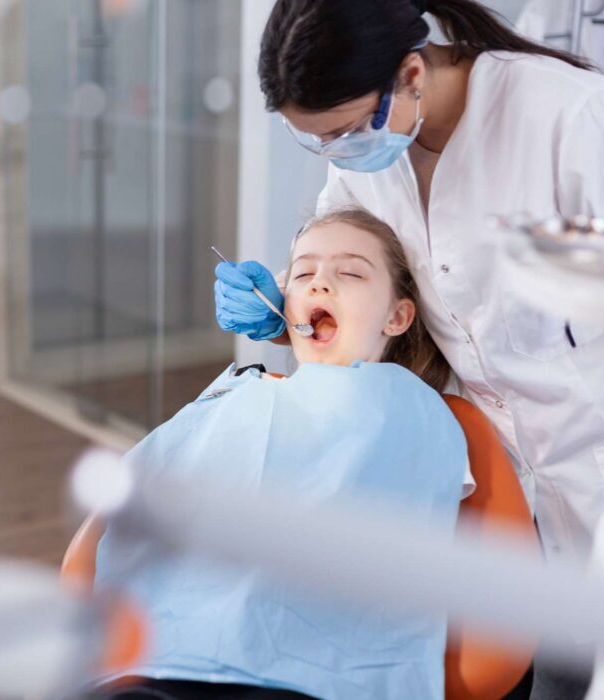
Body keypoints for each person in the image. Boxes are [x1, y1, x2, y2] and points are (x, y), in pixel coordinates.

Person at [214, 2, 604, 696]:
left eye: (341, 132)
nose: (336, 155)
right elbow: (365, 275)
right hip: (498, 492)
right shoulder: (372, 151)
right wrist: (281, 308)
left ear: (412, 73)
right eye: (316, 143)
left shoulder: (576, 121)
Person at [90, 208, 471, 700]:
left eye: (351, 272)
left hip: (320, 674)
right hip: (171, 653)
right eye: (303, 273)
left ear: (397, 316)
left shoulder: (417, 408)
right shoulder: (238, 393)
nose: (320, 285)